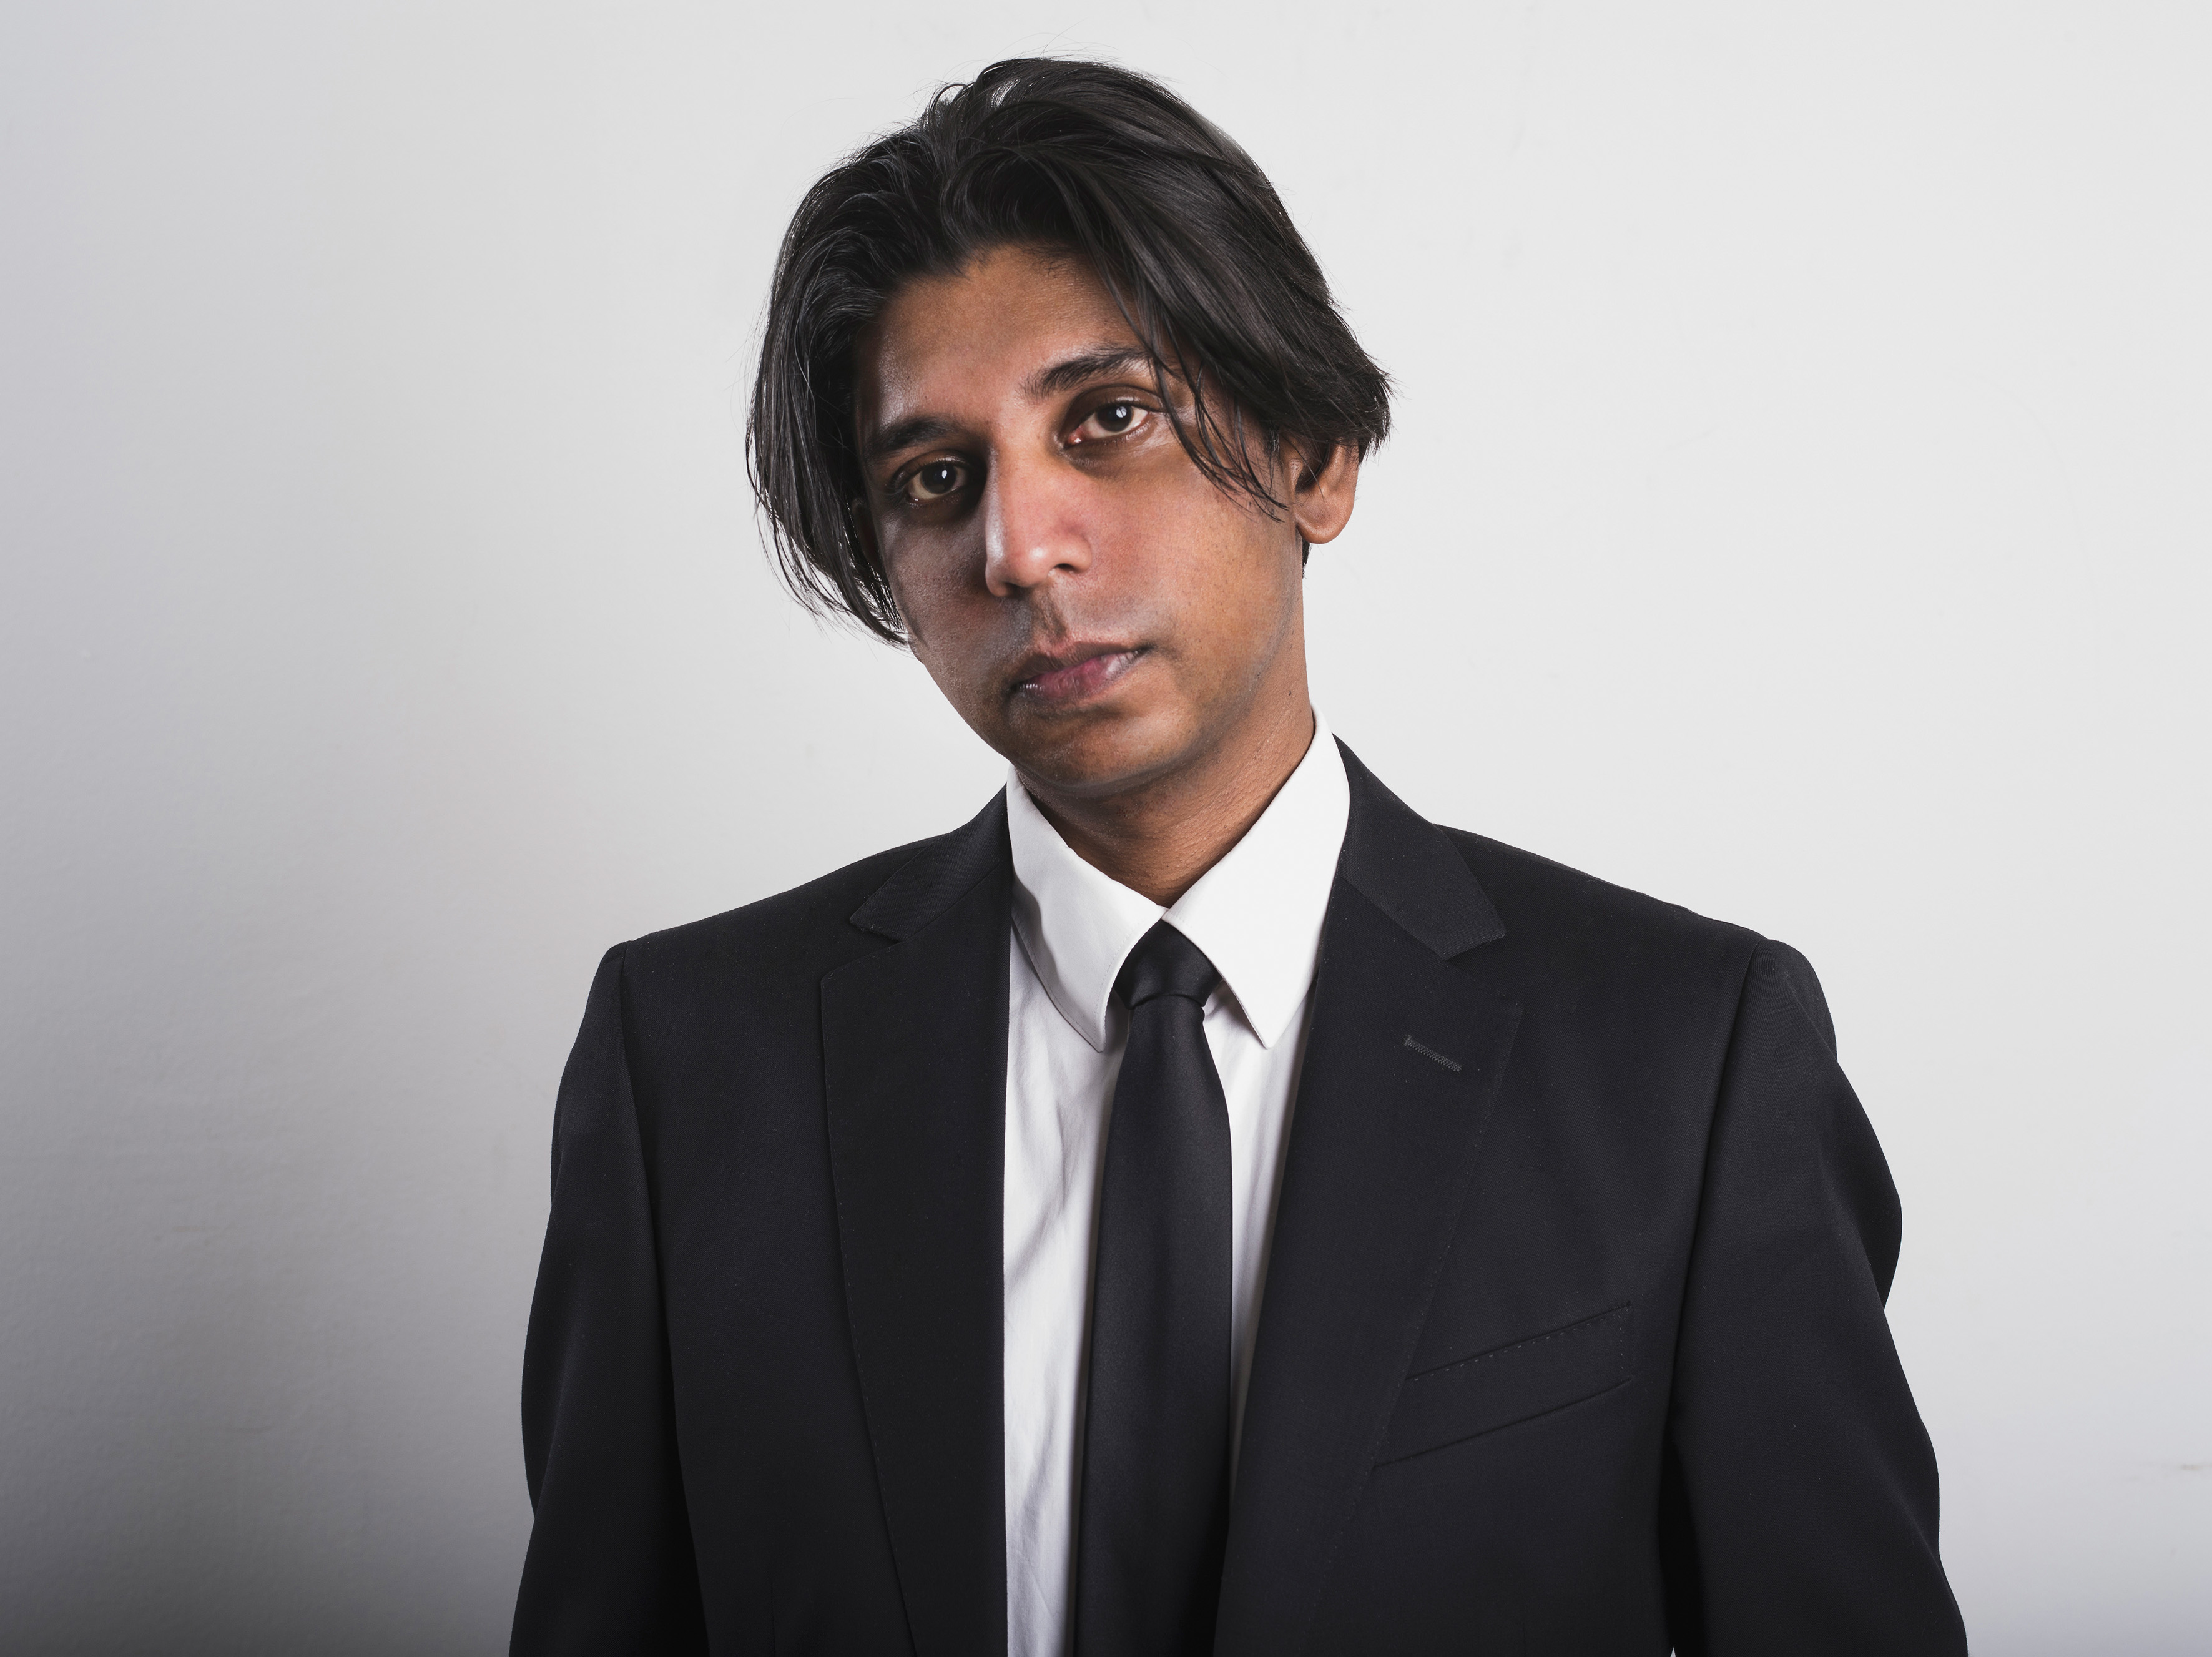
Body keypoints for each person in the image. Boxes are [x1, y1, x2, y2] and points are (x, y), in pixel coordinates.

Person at [509, 58, 1967, 1656]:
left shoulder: (1685, 1058)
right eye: (935, 478)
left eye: (1108, 419)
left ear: (1314, 458)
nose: (1018, 545)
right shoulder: (689, 1065)